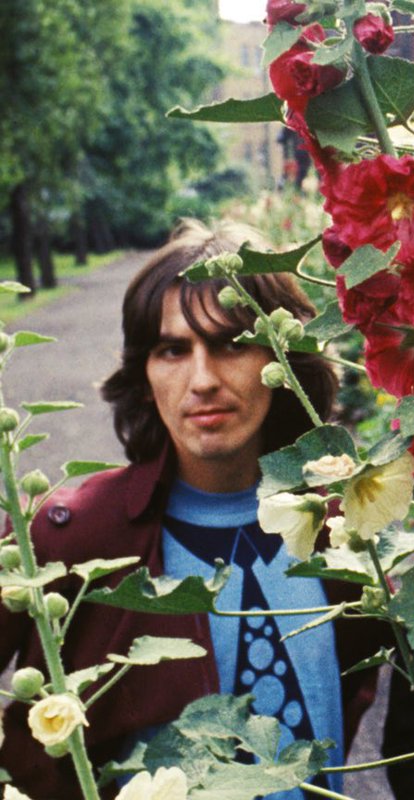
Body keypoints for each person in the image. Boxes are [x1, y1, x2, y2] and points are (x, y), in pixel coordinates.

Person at [0, 220, 379, 798]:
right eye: (172, 349)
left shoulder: (343, 530)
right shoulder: (73, 534)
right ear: (144, 373)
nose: (201, 379)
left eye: (231, 344)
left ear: (281, 359)